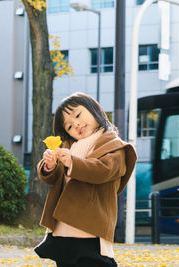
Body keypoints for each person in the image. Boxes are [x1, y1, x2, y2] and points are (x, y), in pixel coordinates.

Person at [34, 92, 137, 267]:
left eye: (78, 115)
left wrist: (73, 162)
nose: (77, 125)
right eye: (69, 127)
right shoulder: (67, 146)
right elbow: (53, 179)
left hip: (91, 230)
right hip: (62, 229)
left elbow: (103, 171)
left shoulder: (114, 146)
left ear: (96, 109)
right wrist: (50, 165)